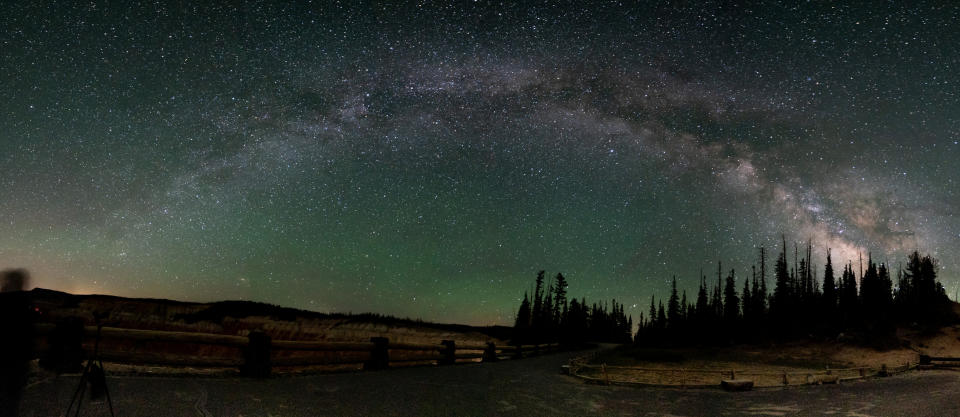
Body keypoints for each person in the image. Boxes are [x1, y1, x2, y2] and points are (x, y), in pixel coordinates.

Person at [0, 269, 34, 417]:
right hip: (18, 362)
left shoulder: (6, 302)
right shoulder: (26, 303)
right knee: (11, 403)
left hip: (8, 361)